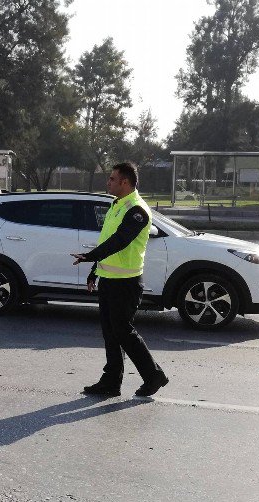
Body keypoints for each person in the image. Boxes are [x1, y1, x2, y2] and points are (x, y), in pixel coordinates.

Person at [71, 161, 168, 397]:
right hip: (109, 279)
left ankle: (153, 375)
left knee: (123, 331)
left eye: (112, 179)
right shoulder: (117, 205)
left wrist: (91, 256)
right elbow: (108, 242)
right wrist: (95, 269)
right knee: (111, 332)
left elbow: (121, 241)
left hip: (126, 283)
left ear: (125, 182)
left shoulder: (137, 210)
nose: (108, 182)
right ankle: (111, 382)